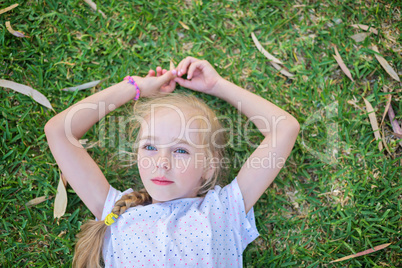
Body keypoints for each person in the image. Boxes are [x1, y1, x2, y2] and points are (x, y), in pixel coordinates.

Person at [44, 56, 300, 267]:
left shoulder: (224, 210)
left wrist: (217, 85)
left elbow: (285, 128)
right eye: (150, 147)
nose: (162, 162)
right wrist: (135, 88)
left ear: (209, 166)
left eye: (181, 151)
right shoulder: (117, 213)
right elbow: (58, 132)